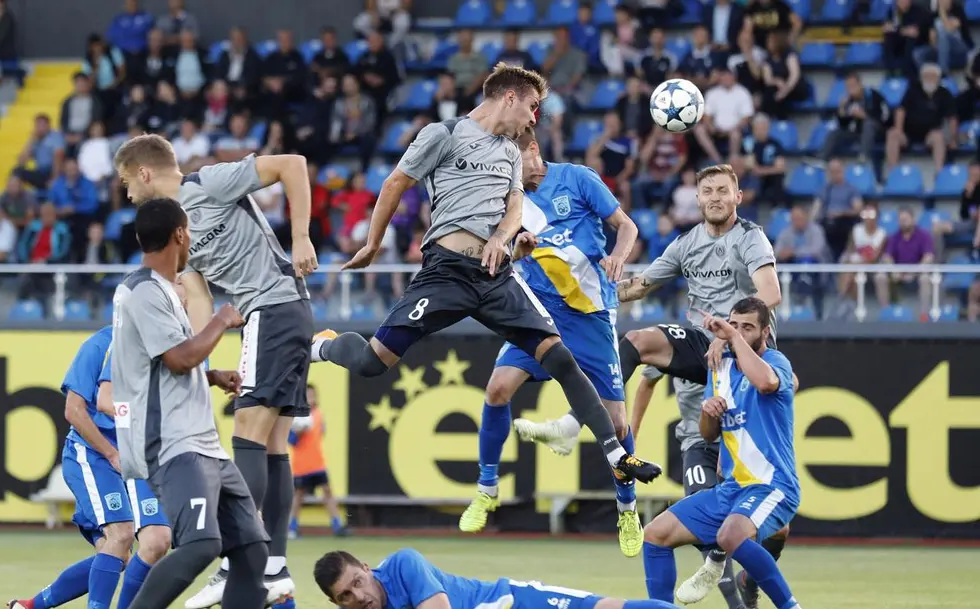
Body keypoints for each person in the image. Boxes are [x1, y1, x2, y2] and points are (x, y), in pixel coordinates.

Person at [310, 63, 660, 486]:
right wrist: (372, 244)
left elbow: (514, 207)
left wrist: (501, 237)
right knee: (372, 361)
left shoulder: (510, 152)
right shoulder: (444, 134)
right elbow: (394, 184)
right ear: (509, 97)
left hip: (495, 275)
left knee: (560, 357)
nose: (534, 119)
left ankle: (617, 454)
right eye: (532, 107)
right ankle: (323, 346)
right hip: (446, 273)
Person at [513, 164, 786, 600]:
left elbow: (770, 295)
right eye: (707, 191)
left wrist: (730, 332)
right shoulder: (686, 244)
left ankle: (744, 579)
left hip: (742, 366)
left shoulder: (750, 238)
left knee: (773, 529)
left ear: (738, 197)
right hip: (704, 390)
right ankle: (574, 422)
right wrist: (590, 285)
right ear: (697, 200)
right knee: (638, 343)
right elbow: (638, 286)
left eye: (723, 190)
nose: (715, 198)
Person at [113, 133, 317, 609]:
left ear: (144, 172)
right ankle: (272, 566)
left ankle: (236, 562)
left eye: (126, 182)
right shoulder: (180, 231)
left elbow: (292, 163)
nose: (128, 193)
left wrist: (301, 236)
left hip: (273, 305)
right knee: (272, 441)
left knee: (247, 432)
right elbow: (201, 299)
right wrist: (200, 364)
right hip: (270, 313)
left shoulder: (208, 183)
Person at [458, 126, 650, 557]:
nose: (509, 172)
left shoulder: (577, 179)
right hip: (540, 314)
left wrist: (618, 256)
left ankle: (627, 508)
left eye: (513, 161)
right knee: (497, 389)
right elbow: (499, 260)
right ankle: (487, 488)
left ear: (533, 149)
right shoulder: (508, 201)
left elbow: (626, 226)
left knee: (617, 425)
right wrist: (518, 252)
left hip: (590, 314)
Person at [109, 197, 268, 609]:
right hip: (174, 445)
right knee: (201, 544)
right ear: (180, 234)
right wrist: (221, 320)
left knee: (252, 549)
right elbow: (178, 359)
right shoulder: (143, 291)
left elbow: (161, 364)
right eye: (190, 231)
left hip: (204, 445)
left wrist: (211, 376)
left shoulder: (159, 289)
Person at [641, 297, 801, 609]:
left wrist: (731, 336)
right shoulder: (721, 368)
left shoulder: (775, 362)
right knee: (655, 534)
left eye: (747, 327)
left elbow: (766, 383)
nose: (738, 331)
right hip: (731, 488)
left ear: (765, 332)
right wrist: (708, 411)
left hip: (773, 485)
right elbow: (708, 434)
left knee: (730, 536)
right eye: (734, 324)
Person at [7, 327, 172, 609]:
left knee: (133, 549)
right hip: (93, 455)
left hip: (138, 458)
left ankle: (31, 606)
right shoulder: (99, 345)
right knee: (121, 534)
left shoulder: (167, 341)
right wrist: (111, 453)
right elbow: (74, 410)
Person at [631, 367, 745, 609]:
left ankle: (747, 583)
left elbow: (783, 379)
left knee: (773, 530)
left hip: (741, 444)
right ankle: (736, 604)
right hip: (697, 445)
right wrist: (631, 438)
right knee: (704, 516)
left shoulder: (739, 347)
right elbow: (646, 381)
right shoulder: (671, 346)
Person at [313, 548, 678, 609]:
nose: (358, 597)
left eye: (357, 582)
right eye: (344, 596)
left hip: (511, 601)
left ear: (366, 568)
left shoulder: (403, 563)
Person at [288, 383, 348, 538]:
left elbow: (321, 434)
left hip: (317, 462)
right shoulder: (297, 416)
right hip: (302, 464)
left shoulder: (318, 414)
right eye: (308, 395)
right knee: (298, 495)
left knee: (327, 491)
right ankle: (292, 527)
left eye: (313, 395)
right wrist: (298, 432)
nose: (311, 398)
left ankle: (337, 525)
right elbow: (291, 440)